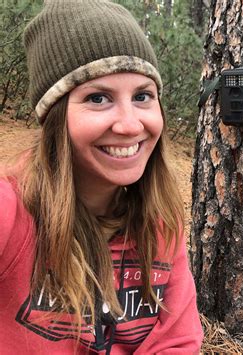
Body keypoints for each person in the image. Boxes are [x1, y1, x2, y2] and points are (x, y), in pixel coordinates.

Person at [0, 0, 203, 353]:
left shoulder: (161, 224)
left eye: (143, 96)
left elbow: (178, 343)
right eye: (98, 98)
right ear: (55, 118)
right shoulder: (10, 213)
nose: (129, 125)